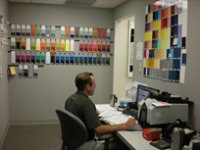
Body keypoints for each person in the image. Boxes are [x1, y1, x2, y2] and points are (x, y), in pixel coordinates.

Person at [65, 72, 136, 150]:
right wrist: (125, 125)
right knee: (123, 145)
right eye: (94, 84)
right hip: (85, 145)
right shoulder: (86, 103)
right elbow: (99, 130)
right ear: (88, 87)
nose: (95, 86)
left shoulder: (70, 99)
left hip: (72, 143)